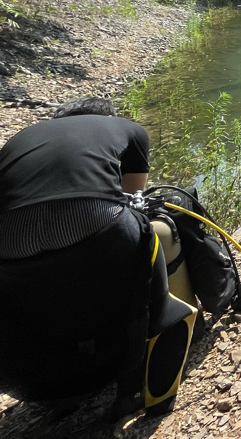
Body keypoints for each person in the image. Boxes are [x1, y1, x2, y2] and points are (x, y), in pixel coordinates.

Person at [0, 98, 196, 415]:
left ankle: (62, 389)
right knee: (143, 236)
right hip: (91, 221)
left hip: (7, 244)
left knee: (44, 295)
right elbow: (134, 196)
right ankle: (137, 387)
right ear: (107, 116)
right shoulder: (127, 128)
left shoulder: (22, 137)